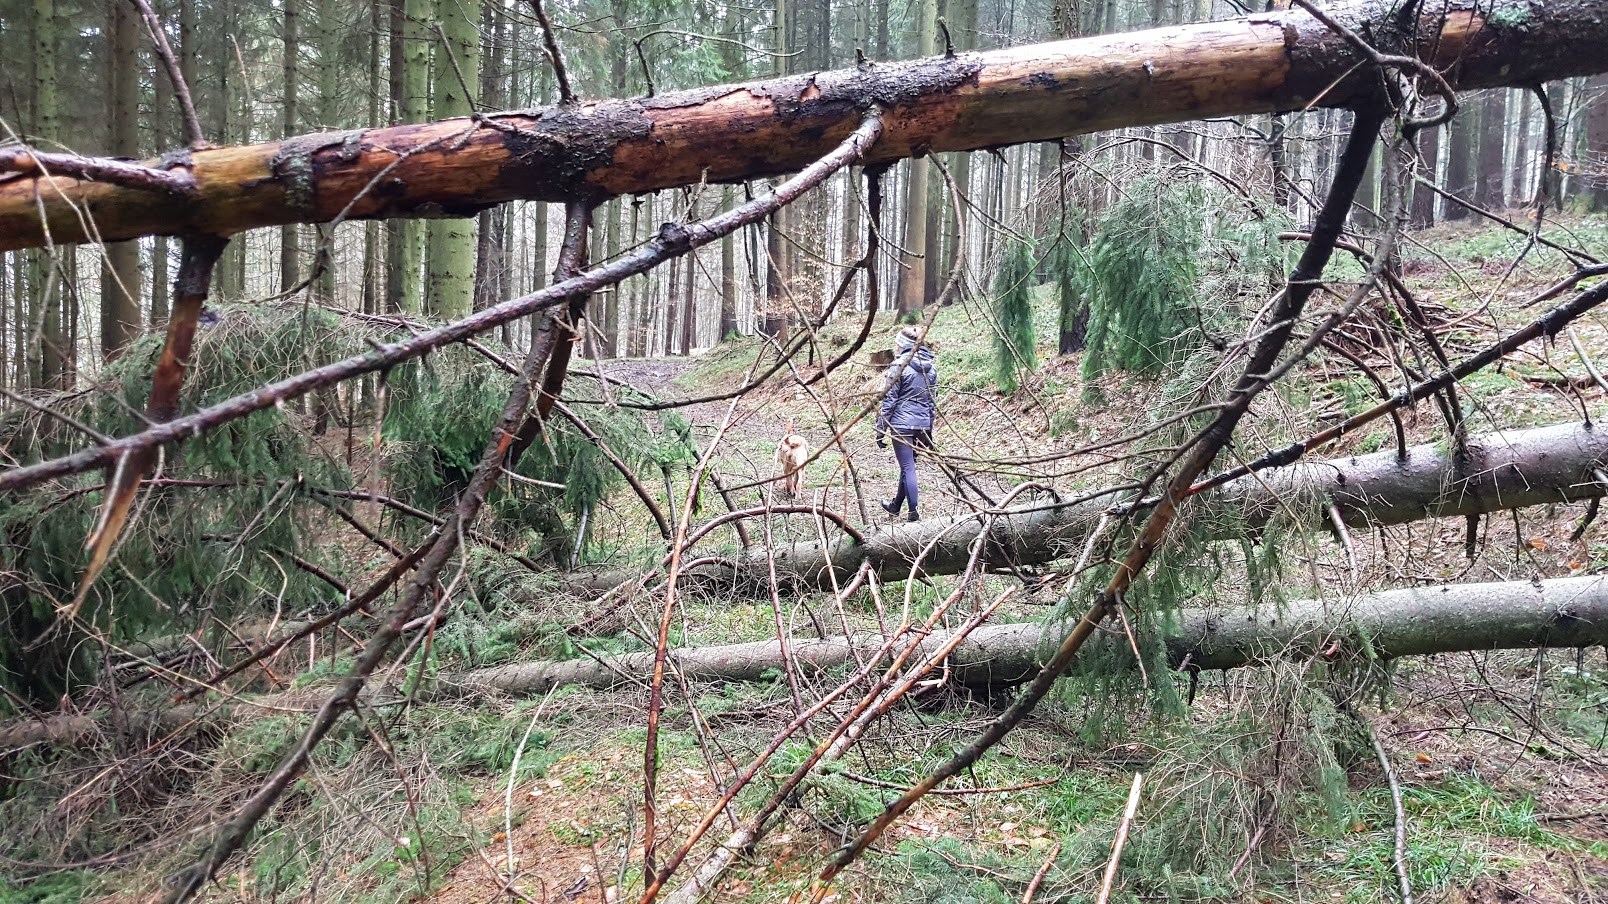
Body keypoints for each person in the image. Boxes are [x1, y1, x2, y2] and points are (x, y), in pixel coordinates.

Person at [875, 325, 937, 522]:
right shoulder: (931, 368)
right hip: (922, 424)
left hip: (901, 425)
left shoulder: (899, 366)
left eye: (898, 344)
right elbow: (932, 402)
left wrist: (880, 428)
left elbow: (889, 400)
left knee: (908, 467)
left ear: (903, 345)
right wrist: (929, 429)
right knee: (907, 466)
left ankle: (913, 513)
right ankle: (895, 506)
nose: (896, 347)